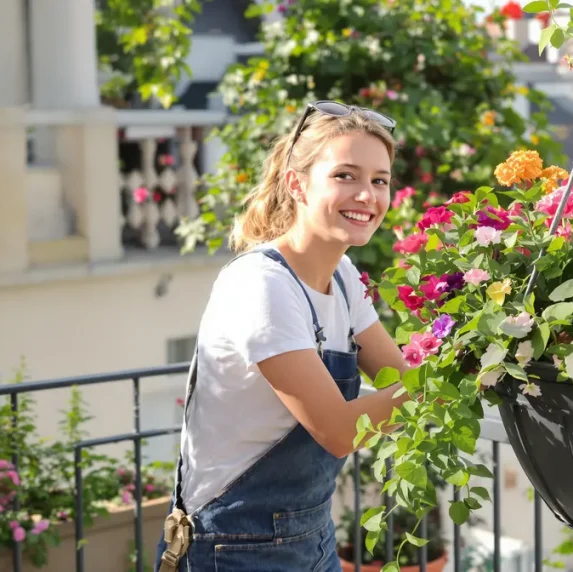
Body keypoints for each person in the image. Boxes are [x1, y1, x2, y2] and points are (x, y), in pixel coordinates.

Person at [155, 101, 411, 572]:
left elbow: (399, 376)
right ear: (297, 184)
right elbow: (338, 431)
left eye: (379, 180)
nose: (367, 195)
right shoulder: (262, 285)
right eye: (345, 176)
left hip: (311, 535)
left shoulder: (345, 277)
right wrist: (450, 378)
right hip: (233, 547)